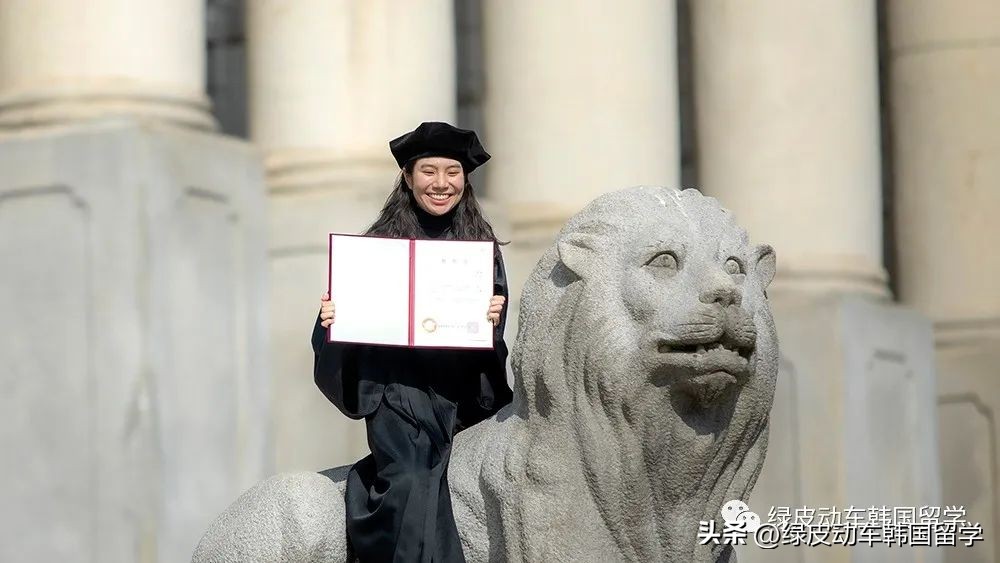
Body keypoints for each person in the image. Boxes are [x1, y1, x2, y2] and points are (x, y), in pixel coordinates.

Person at [311, 122, 513, 563]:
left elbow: (490, 353)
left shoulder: (480, 251)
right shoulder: (376, 250)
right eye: (429, 171)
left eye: (453, 172)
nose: (441, 184)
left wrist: (491, 324)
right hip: (397, 397)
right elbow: (342, 333)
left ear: (465, 179)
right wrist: (331, 321)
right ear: (407, 176)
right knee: (409, 478)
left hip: (459, 398)